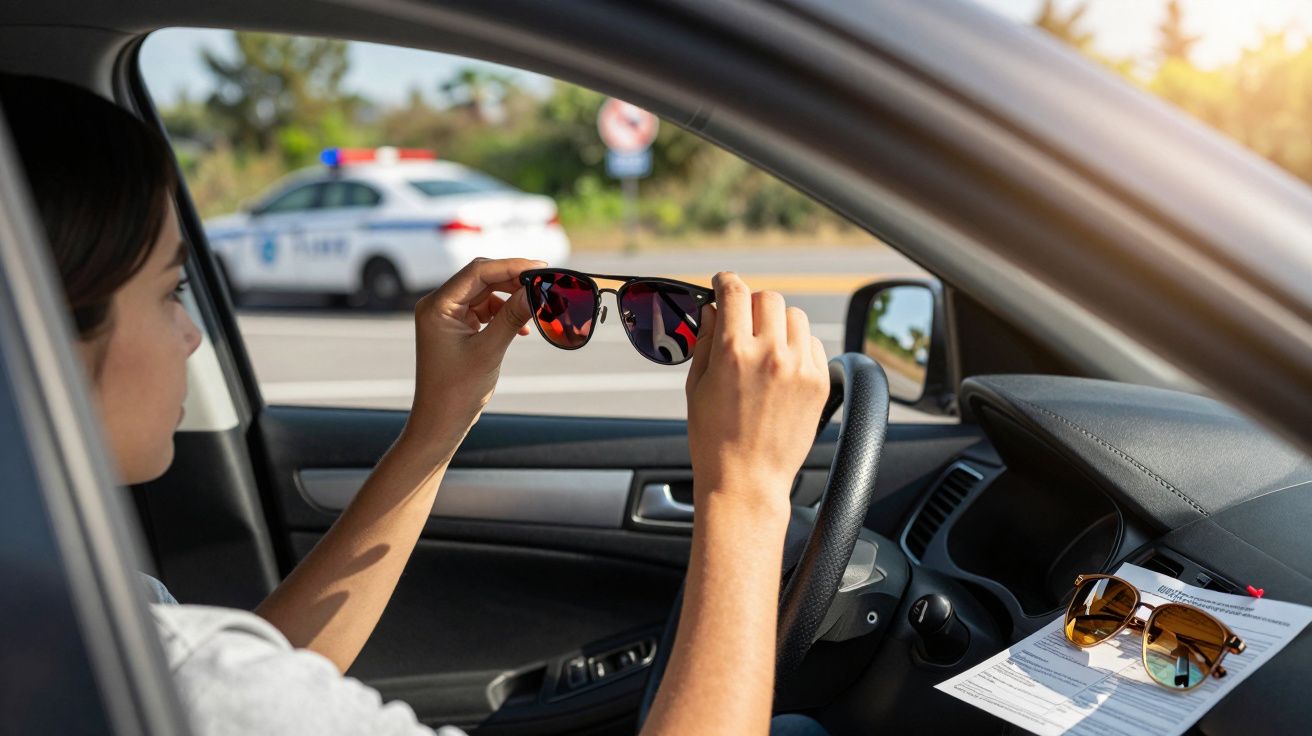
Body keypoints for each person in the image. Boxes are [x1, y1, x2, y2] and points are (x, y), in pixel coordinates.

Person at [1, 74, 831, 735]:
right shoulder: (175, 674)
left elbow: (270, 663)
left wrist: (442, 418)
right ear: (31, 341)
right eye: (171, 290)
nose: (191, 336)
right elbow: (235, 690)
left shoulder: (93, 624)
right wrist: (747, 493)